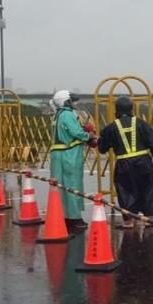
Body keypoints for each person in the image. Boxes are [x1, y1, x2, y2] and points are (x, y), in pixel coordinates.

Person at [98, 96, 153, 229]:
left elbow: (102, 148)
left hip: (124, 164)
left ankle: (129, 221)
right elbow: (152, 140)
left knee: (125, 191)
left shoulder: (111, 128)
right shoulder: (141, 123)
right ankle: (148, 218)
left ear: (116, 110)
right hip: (143, 162)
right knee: (146, 189)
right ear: (131, 109)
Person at [49, 90, 94, 230]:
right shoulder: (68, 114)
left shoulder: (58, 115)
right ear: (66, 101)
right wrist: (89, 135)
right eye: (72, 100)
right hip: (69, 155)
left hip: (57, 154)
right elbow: (75, 133)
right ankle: (75, 219)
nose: (75, 103)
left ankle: (65, 217)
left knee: (62, 188)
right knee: (73, 186)